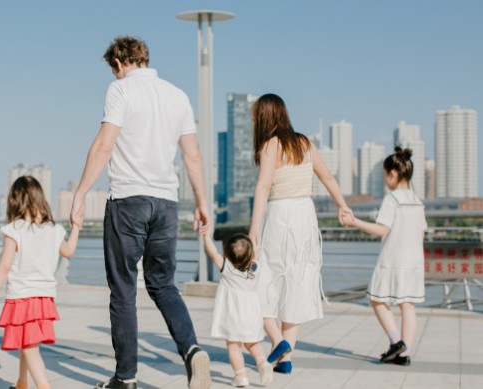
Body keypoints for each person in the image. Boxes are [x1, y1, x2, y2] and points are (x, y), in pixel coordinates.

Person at [70, 36, 211, 389]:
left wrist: (80, 193)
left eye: (114, 69)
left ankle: (126, 378)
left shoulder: (120, 91)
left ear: (120, 63)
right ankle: (192, 349)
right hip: (166, 203)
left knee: (123, 290)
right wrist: (202, 203)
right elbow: (192, 156)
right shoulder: (178, 96)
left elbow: (104, 145)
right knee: (163, 285)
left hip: (128, 201)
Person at [247, 93, 352, 375]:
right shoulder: (304, 143)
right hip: (306, 216)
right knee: (296, 283)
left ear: (265, 117)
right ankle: (286, 358)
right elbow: (328, 177)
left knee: (262, 284)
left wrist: (254, 227)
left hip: (281, 216)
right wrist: (343, 205)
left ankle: (279, 342)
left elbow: (263, 187)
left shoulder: (271, 145)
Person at [0, 176, 81, 389]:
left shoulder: (15, 229)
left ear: (15, 200)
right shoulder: (53, 229)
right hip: (44, 297)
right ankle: (21, 383)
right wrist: (76, 227)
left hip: (22, 296)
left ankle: (44, 386)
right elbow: (68, 251)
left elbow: (5, 266)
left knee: (28, 345)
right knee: (29, 342)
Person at [340, 147, 426, 366]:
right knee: (408, 306)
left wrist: (354, 222)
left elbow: (381, 229)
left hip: (392, 260)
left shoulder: (392, 199)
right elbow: (421, 232)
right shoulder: (417, 201)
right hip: (414, 261)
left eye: (384, 175)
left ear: (392, 174)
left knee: (376, 299)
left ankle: (396, 342)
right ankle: (404, 354)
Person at [201, 228, 273, 387]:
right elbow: (252, 248)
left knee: (233, 345)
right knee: (252, 343)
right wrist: (253, 241)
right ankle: (262, 363)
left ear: (226, 253)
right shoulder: (256, 267)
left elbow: (213, 253)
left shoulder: (227, 268)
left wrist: (206, 237)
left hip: (233, 316)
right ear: (251, 254)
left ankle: (241, 376)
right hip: (252, 314)